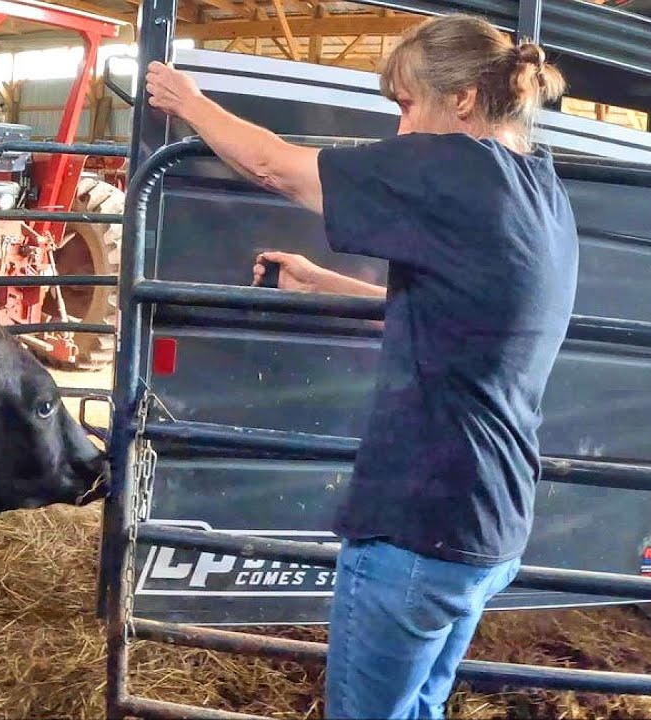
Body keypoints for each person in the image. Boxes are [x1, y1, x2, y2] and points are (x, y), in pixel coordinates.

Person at [146, 13, 579, 719]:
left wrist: (186, 100)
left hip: (419, 521)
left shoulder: (447, 166)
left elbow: (272, 166)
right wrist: (325, 283)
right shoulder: (540, 192)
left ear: (463, 98)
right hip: (488, 523)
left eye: (406, 105)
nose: (401, 129)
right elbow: (460, 316)